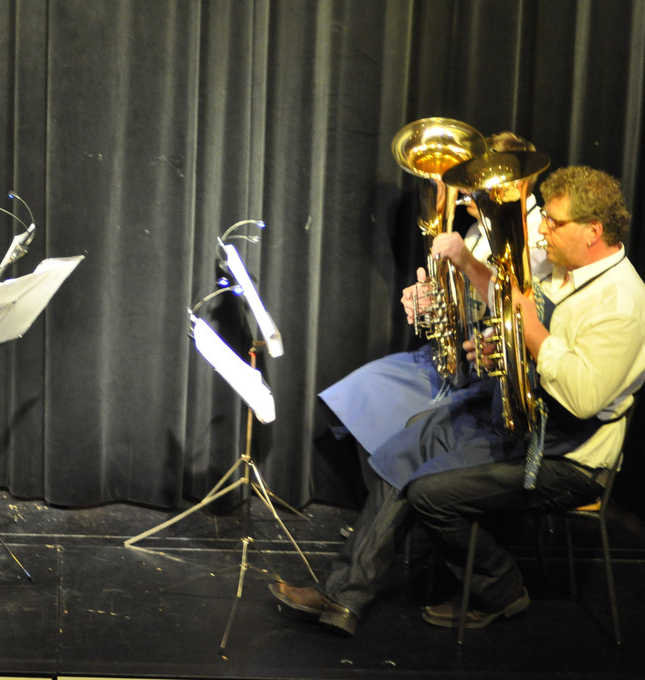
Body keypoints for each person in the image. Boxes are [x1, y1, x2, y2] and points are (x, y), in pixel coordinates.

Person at [270, 165, 645, 636]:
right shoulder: (563, 270)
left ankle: (501, 590)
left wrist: (529, 333)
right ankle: (342, 596)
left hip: (567, 457)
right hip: (517, 418)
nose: (542, 230)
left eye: (554, 222)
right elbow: (516, 326)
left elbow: (584, 397)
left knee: (431, 494)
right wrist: (496, 348)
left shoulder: (623, 303)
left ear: (593, 231)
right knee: (406, 445)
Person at [318, 132, 547, 483]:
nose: (467, 188)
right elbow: (464, 296)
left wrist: (466, 261)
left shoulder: (539, 233)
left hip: (489, 376)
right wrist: (432, 301)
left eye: (478, 178)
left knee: (391, 419)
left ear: (514, 182)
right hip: (451, 360)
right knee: (356, 393)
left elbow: (517, 306)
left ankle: (396, 501)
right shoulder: (476, 230)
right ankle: (384, 500)